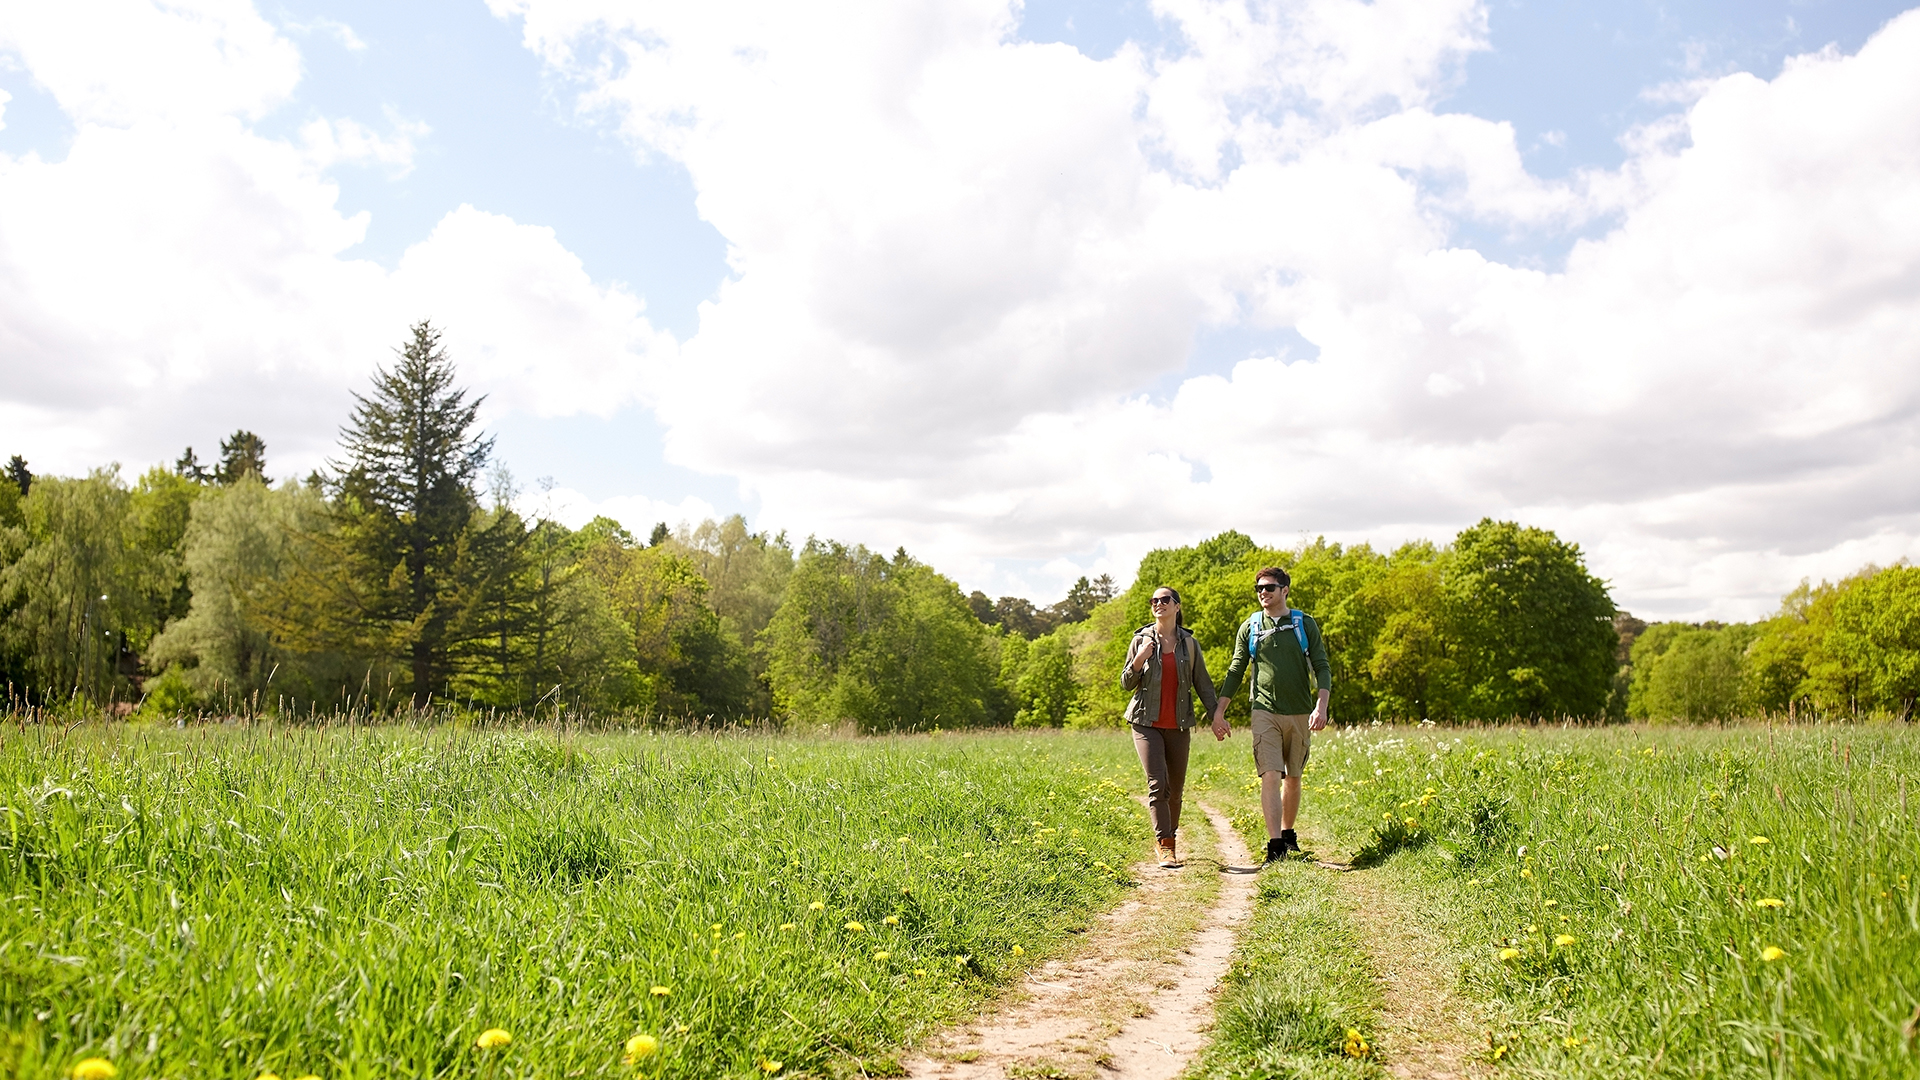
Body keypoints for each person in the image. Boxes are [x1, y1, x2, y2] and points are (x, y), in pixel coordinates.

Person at [1212, 566, 1331, 863]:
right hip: (1264, 711)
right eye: (1259, 589)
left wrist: (1321, 706)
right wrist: (1219, 712)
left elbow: (1322, 666)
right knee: (1270, 774)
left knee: (1293, 776)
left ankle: (1288, 833)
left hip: (1300, 711)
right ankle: (1275, 846)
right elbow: (1236, 669)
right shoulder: (1250, 627)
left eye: (1269, 588)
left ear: (1285, 590)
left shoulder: (1305, 624)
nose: (1263, 593)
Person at [1120, 586, 1219, 868]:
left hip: (1178, 725)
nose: (1158, 604)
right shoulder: (1140, 639)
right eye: (1154, 600)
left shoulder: (1189, 644)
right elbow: (1126, 683)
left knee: (1175, 790)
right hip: (1144, 723)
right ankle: (1166, 845)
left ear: (1177, 606)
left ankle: (1169, 835)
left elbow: (1203, 684)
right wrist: (1139, 659)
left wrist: (1216, 716)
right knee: (1158, 785)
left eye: (1165, 600)